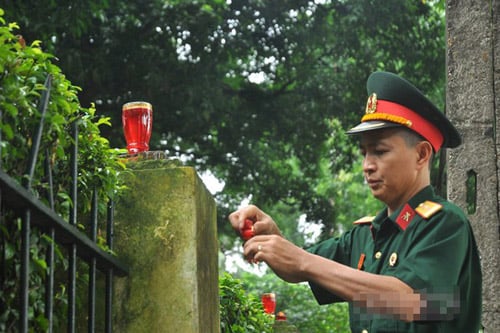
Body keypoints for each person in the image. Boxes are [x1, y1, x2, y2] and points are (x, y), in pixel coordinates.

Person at [228, 71, 482, 333]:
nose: (366, 166)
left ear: (421, 154)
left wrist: (301, 261)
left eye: (380, 151)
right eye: (364, 153)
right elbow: (297, 269)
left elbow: (415, 303)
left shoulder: (446, 225)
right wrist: (272, 236)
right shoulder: (365, 235)